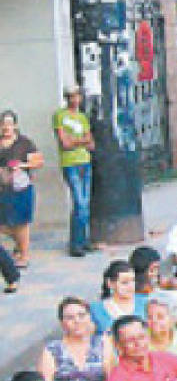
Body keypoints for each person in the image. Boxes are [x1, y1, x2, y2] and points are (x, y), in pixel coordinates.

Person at [38, 296, 114, 381]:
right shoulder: (52, 349)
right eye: (70, 318)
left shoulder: (103, 343)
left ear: (89, 317)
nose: (77, 321)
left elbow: (112, 380)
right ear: (62, 323)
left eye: (81, 315)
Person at [51, 86, 94, 257]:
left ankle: (82, 240)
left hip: (85, 161)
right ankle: (76, 243)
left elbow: (91, 142)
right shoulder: (60, 116)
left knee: (84, 204)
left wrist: (76, 140)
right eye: (71, 96)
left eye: (77, 96)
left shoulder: (82, 117)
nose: (75, 100)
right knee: (80, 203)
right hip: (70, 163)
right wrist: (81, 140)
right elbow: (65, 143)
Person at [0, 110, 42, 269]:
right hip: (2, 189)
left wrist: (21, 166)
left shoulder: (24, 143)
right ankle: (19, 243)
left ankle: (24, 255)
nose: (6, 127)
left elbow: (38, 162)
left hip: (21, 188)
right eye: (3, 124)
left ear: (15, 125)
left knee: (21, 223)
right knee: (4, 224)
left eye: (9, 124)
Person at [90, 259, 149, 335]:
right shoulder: (95, 309)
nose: (131, 286)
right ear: (110, 283)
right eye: (125, 282)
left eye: (133, 280)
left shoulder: (146, 302)